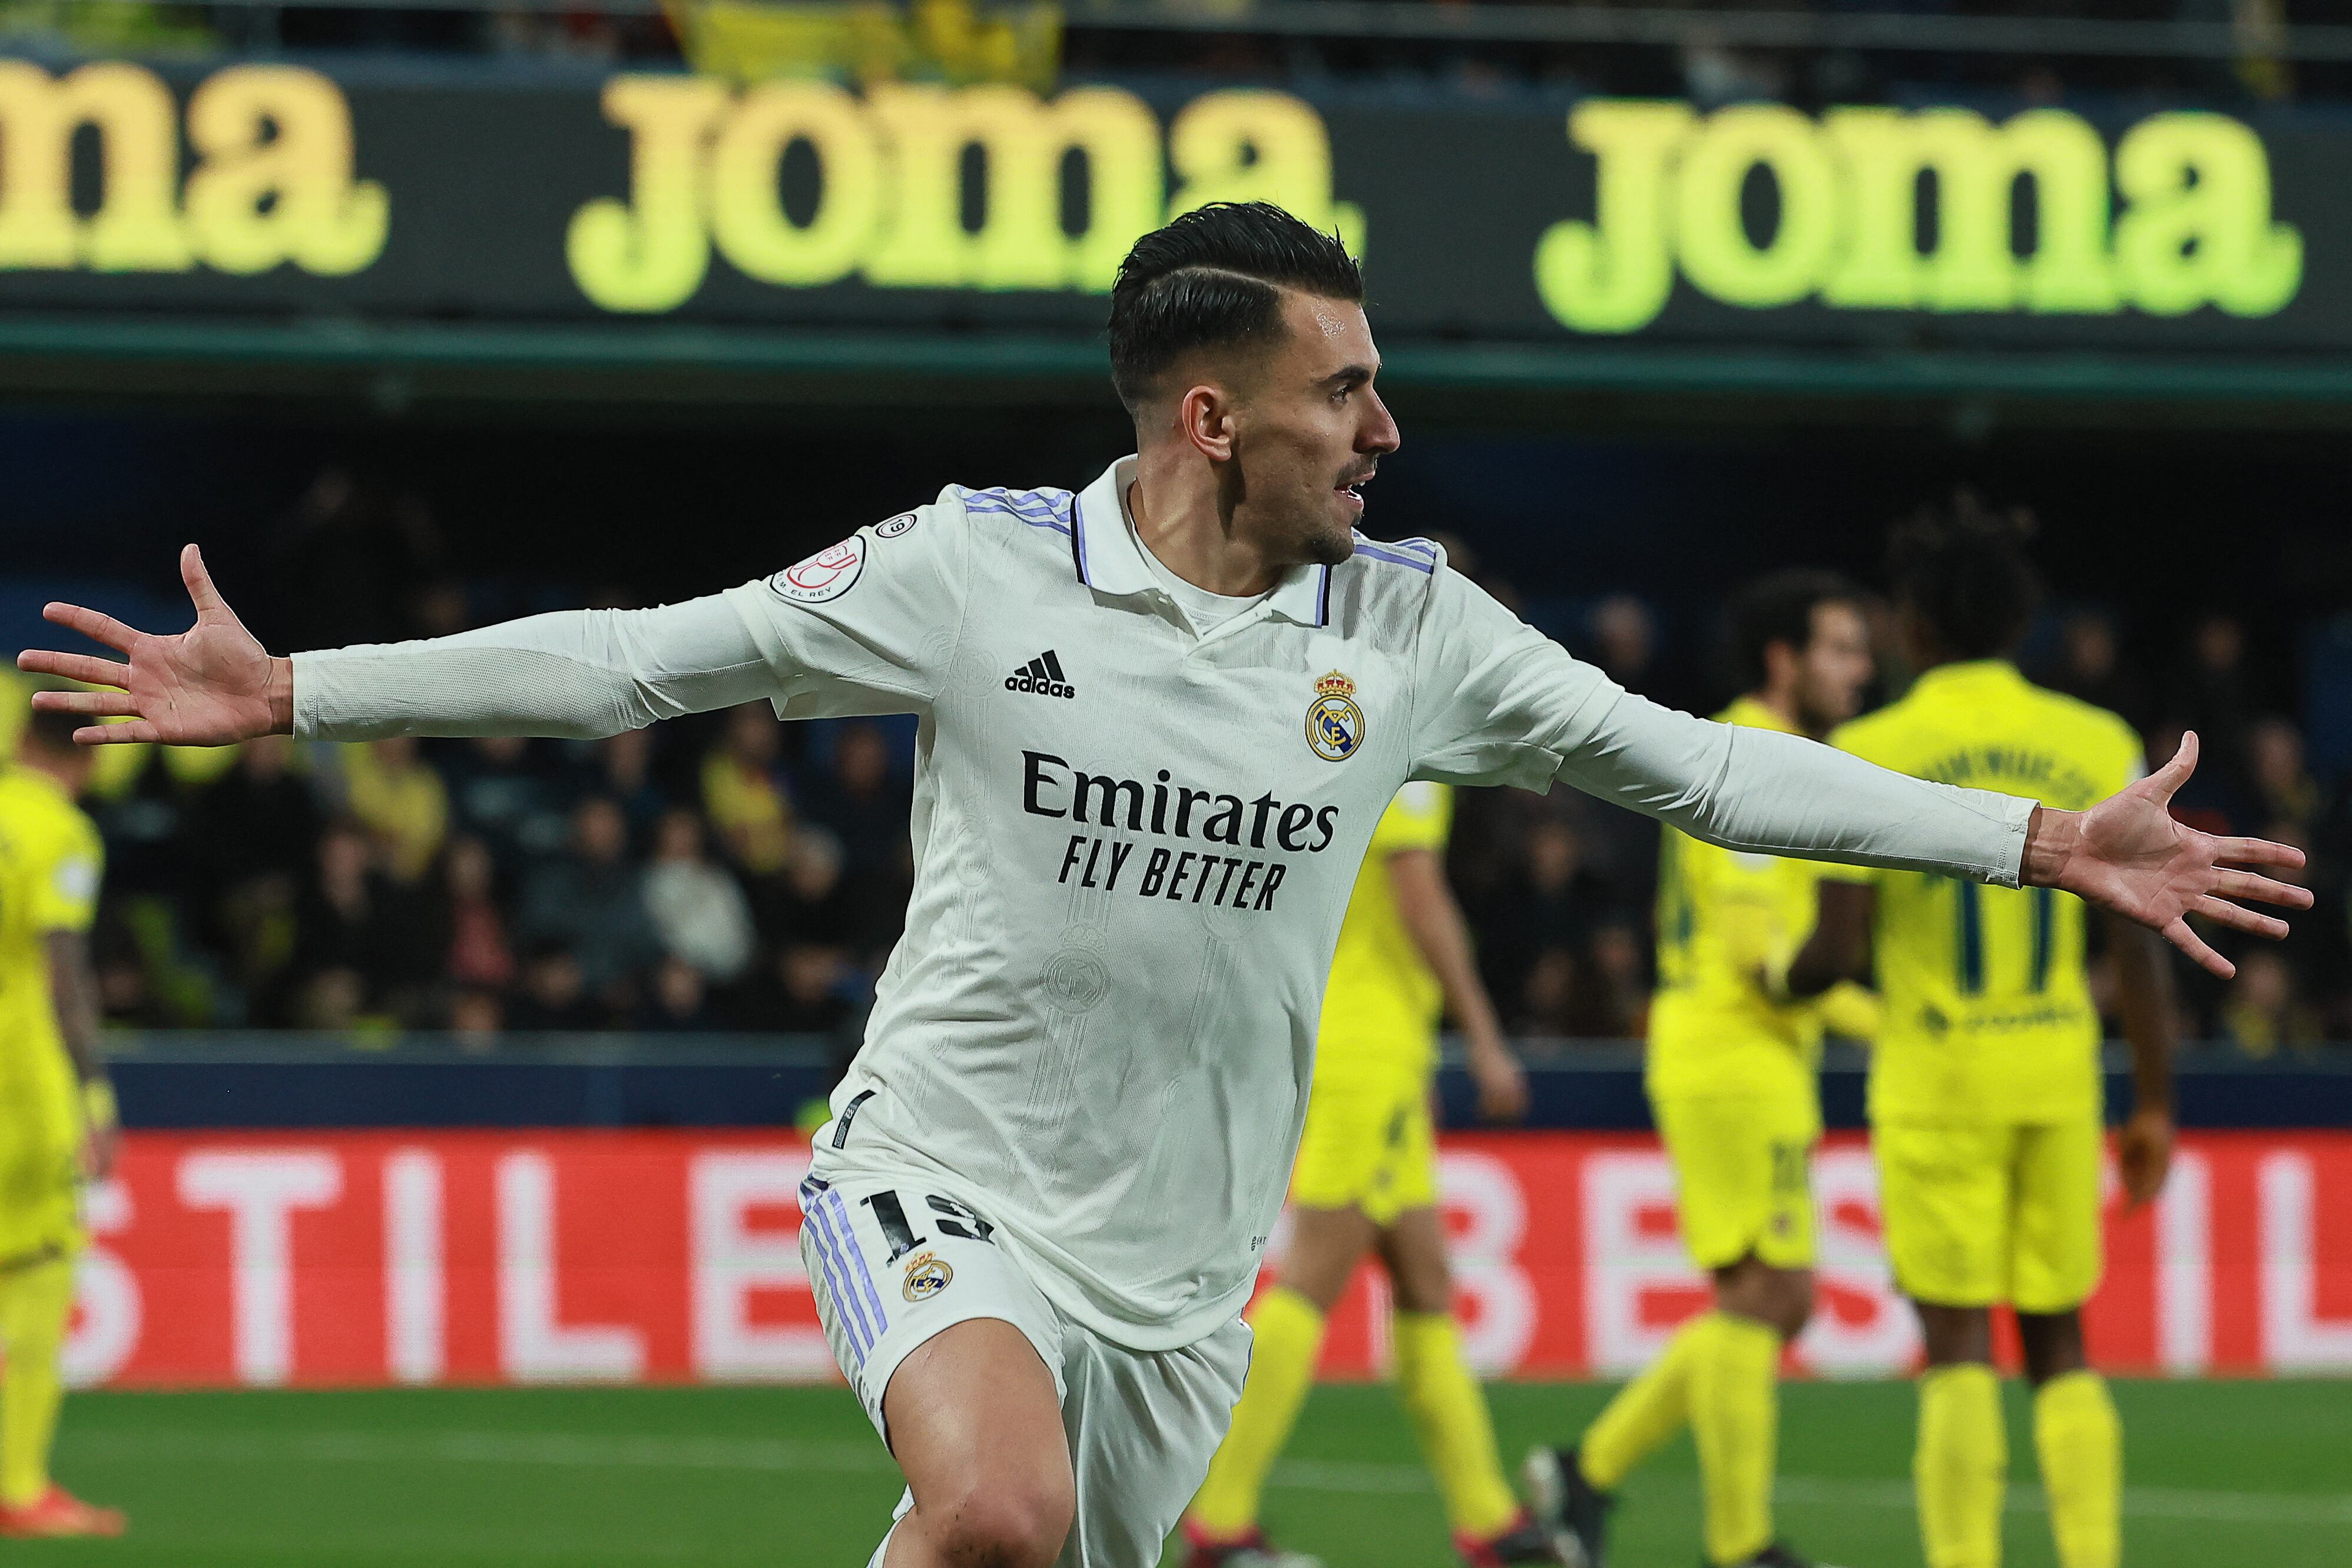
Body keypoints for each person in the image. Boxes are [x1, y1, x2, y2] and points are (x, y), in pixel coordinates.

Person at [18, 204, 2307, 1568]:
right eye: (1345, 393)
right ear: (1210, 421)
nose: (1383, 433)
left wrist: (2033, 839)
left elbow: (1700, 774)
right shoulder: (961, 574)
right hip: (940, 1180)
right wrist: (301, 687)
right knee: (992, 1513)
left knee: (995, 1546)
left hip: (1183, 1280)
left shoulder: (1403, 633)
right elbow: (637, 667)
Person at [1780, 504, 2185, 1568]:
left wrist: (1780, 982)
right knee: (2060, 1343)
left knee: (1957, 1345)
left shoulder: (1869, 749)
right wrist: (2153, 1102)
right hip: (2056, 1075)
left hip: (1935, 1080)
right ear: (2021, 622)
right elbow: (2140, 944)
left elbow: (1836, 948)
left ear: (1911, 625)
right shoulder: (2095, 742)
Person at [1525, 570, 1881, 1568]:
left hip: (1732, 1051)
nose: (1859, 669)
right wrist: (1895, 1023)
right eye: (1839, 648)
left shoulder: (1763, 750)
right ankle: (1738, 1544)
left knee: (1768, 1297)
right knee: (1770, 1297)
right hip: (1734, 1055)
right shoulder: (1760, 758)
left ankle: (1585, 1472)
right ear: (1784, 659)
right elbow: (1763, 963)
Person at [1184, 779, 1558, 1568]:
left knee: (1425, 1282)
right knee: (1310, 1278)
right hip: (1369, 1049)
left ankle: (1485, 1518)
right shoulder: (1409, 764)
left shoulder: (1348, 742)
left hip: (1368, 1039)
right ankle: (1218, 1523)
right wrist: (1485, 1037)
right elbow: (1419, 901)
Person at [0, 708, 125, 1536]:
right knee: (43, 1273)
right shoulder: (64, 836)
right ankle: (17, 1486)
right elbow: (65, 970)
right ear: (85, 758)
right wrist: (95, 1093)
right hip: (21, 1087)